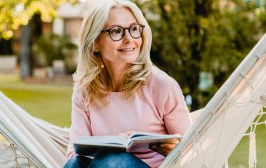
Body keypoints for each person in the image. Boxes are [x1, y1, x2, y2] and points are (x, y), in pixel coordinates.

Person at [64, 0, 192, 167]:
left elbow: (191, 149)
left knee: (113, 160)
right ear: (95, 43)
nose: (129, 39)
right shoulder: (85, 90)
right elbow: (75, 152)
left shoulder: (162, 86)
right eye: (116, 31)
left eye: (133, 29)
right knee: (76, 163)